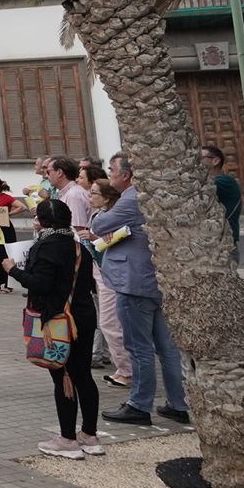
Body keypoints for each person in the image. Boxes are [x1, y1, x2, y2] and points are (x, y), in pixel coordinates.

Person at [92, 154, 189, 427]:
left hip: (135, 282)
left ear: (126, 175)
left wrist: (103, 209)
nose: (109, 175)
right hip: (156, 280)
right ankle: (178, 403)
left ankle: (139, 404)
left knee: (139, 347)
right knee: (166, 348)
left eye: (112, 170)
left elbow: (98, 226)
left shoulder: (131, 198)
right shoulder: (154, 194)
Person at [3, 199, 101, 459]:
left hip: (58, 320)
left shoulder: (45, 247)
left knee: (63, 377)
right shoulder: (79, 247)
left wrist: (13, 271)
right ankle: (90, 435)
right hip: (83, 316)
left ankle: (68, 439)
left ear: (43, 222)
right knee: (84, 376)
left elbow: (40, 284)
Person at [86, 178, 132, 388]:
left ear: (107, 196)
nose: (89, 196)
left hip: (109, 271)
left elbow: (113, 238)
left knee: (109, 322)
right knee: (109, 321)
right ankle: (123, 368)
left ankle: (126, 370)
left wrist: (93, 237)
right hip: (100, 269)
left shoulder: (111, 216)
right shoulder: (100, 213)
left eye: (94, 193)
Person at [202, 145, 242, 253]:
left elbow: (200, 188)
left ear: (215, 161)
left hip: (223, 247)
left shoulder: (225, 181)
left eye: (200, 158)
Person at [46, 156, 90, 227]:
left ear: (59, 172)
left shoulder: (74, 195)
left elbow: (77, 228)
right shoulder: (67, 193)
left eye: (48, 172)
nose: (46, 176)